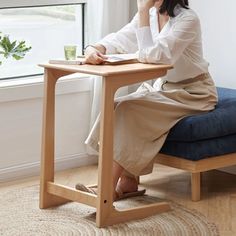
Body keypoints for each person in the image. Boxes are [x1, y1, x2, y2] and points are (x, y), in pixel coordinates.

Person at [75, 0, 218, 200]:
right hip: (166, 89)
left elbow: (156, 56)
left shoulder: (187, 19)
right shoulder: (150, 15)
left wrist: (143, 11)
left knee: (129, 109)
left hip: (193, 93)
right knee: (116, 106)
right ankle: (128, 182)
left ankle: (106, 190)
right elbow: (120, 39)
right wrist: (93, 48)